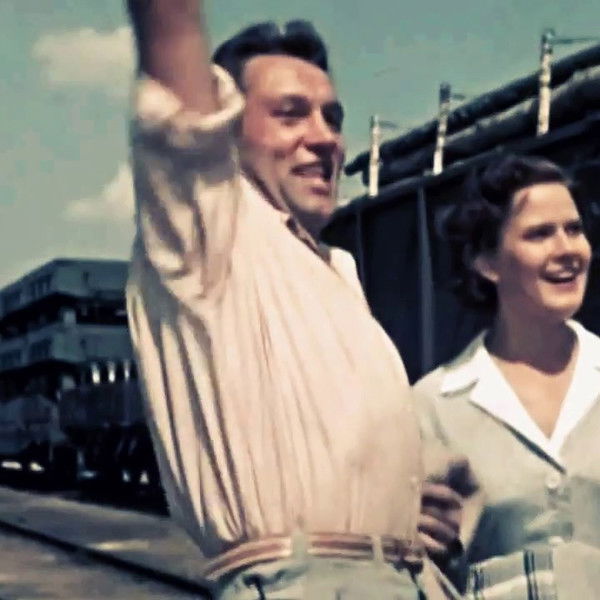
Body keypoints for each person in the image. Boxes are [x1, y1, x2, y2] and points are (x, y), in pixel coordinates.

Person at [124, 1, 460, 598]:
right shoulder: (212, 235)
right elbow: (176, 90)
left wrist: (393, 511)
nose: (326, 138)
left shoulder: (336, 270)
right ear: (225, 131)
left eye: (333, 117)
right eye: (290, 114)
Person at [413, 154, 600, 598]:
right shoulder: (433, 407)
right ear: (486, 262)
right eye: (540, 234)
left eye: (574, 229)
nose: (568, 249)